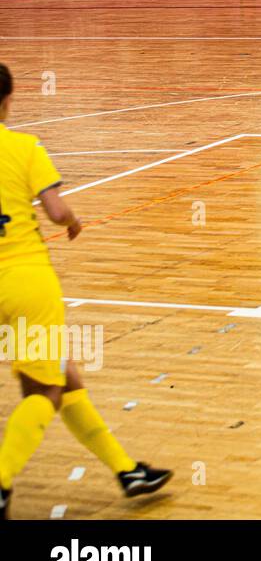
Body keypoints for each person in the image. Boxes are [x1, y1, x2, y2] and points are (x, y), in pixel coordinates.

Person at [0, 64, 172, 519]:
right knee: (45, 390)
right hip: (25, 281)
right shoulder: (24, 147)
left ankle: (126, 471)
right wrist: (73, 221)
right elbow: (55, 211)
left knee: (65, 375)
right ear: (8, 100)